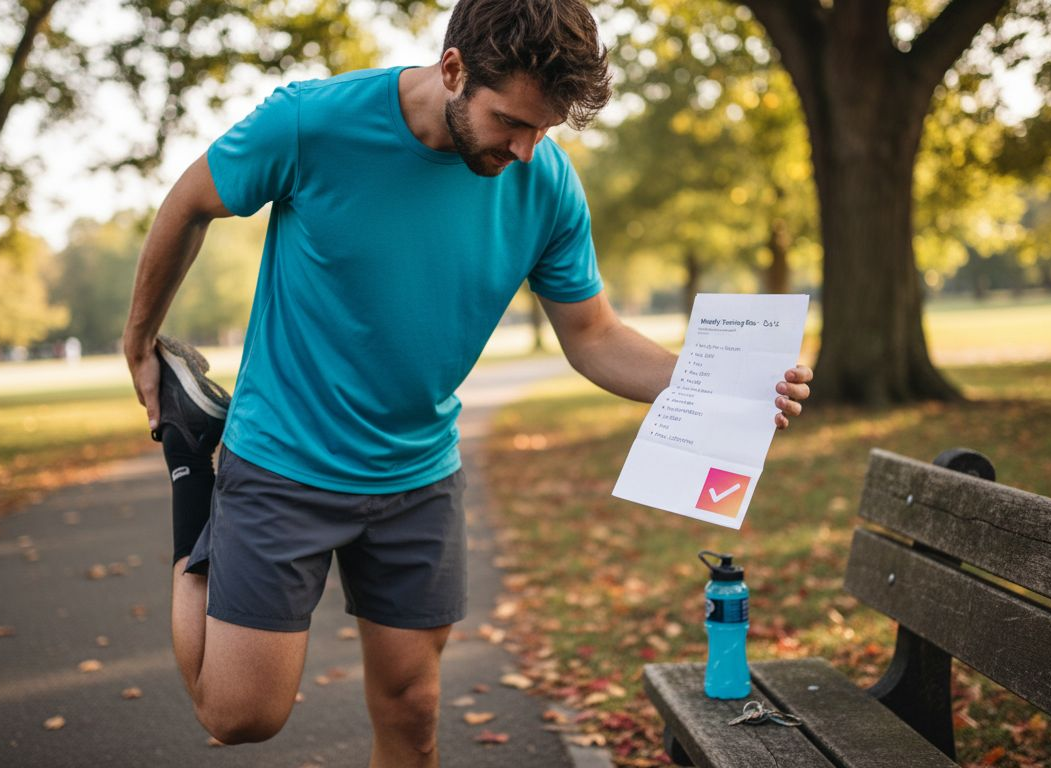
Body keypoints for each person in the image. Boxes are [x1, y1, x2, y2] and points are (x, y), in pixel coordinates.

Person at [123, 0, 813, 764]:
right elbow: (190, 202)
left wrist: (714, 382)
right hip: (285, 459)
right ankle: (196, 491)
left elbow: (593, 336)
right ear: (453, 69)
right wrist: (138, 340)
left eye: (544, 129)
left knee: (414, 711)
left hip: (418, 476)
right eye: (512, 122)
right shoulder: (310, 123)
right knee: (241, 716)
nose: (526, 150)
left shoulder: (544, 181)